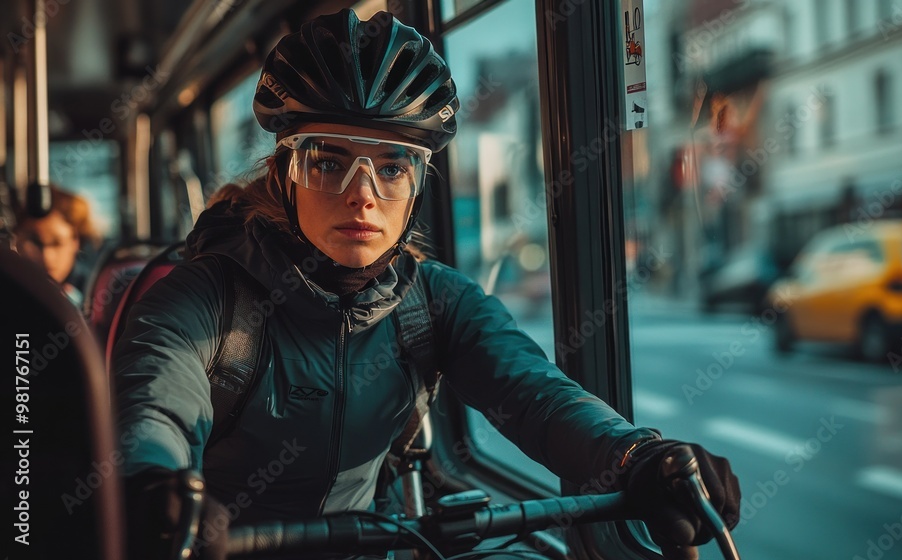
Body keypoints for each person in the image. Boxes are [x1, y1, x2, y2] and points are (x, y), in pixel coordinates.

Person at [113, 9, 740, 559]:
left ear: (417, 186)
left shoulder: (433, 300)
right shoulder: (202, 299)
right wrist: (153, 484)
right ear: (285, 174)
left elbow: (537, 396)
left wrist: (636, 456)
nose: (363, 194)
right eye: (329, 161)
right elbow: (157, 409)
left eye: (393, 166)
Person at [14, 184, 101, 307]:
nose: (47, 256)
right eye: (34, 242)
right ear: (16, 239)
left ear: (76, 241)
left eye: (57, 243)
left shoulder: (97, 291)